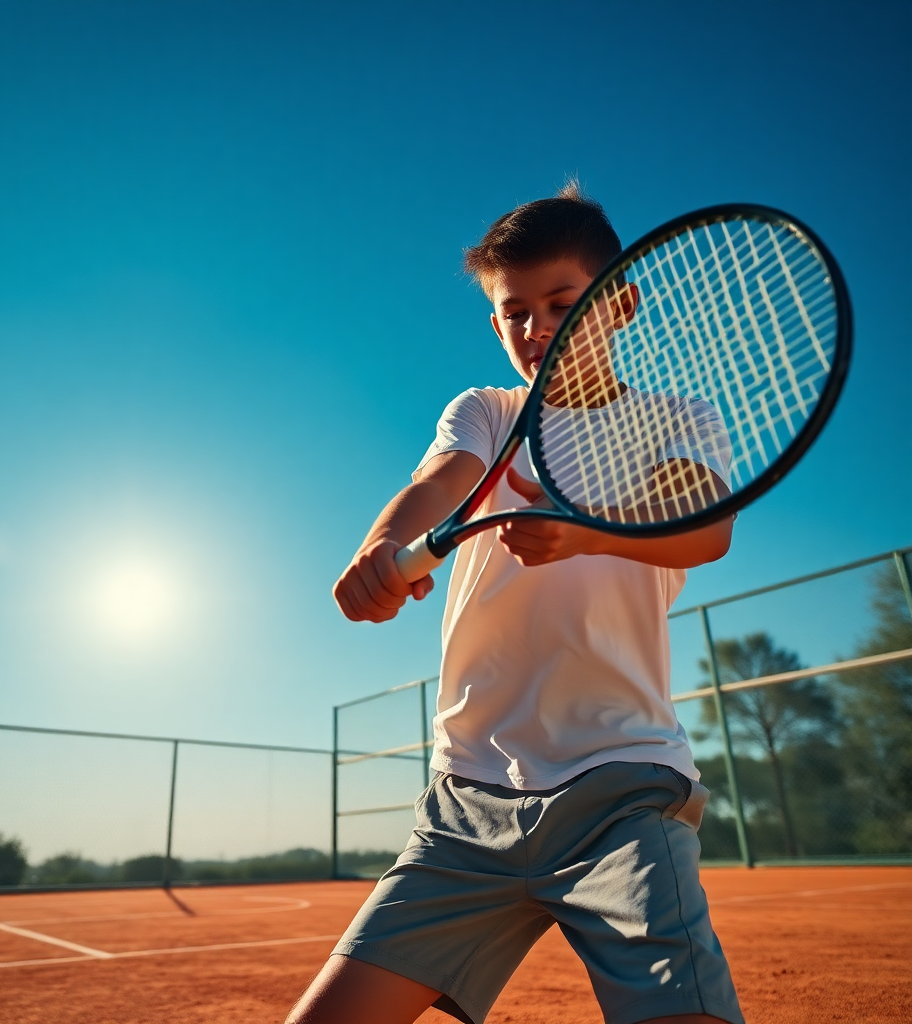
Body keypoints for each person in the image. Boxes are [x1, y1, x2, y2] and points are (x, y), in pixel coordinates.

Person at [287, 184, 744, 1024]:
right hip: (465, 802)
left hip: (623, 790)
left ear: (621, 303)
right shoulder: (487, 415)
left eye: (562, 304)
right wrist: (377, 552)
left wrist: (587, 532)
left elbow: (702, 527)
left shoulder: (675, 419)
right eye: (515, 312)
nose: (537, 329)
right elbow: (433, 485)